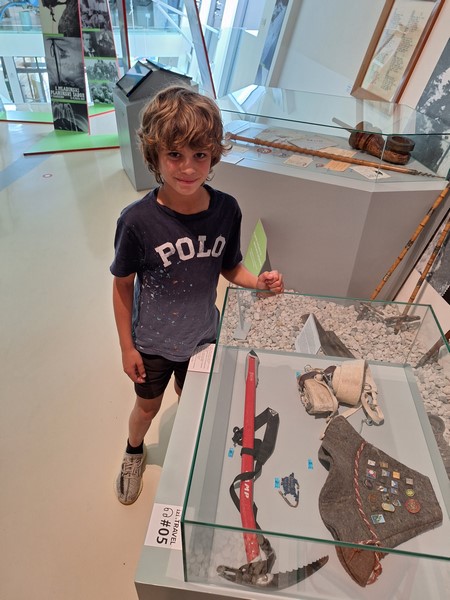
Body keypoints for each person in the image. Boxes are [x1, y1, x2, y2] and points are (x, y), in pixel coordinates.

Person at [110, 86, 284, 505]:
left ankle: (190, 452)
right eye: (175, 155)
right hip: (152, 344)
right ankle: (133, 450)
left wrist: (257, 283)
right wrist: (127, 347)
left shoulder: (227, 210)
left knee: (193, 402)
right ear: (154, 155)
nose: (188, 168)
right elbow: (122, 284)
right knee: (146, 409)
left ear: (214, 155)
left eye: (200, 155)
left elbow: (229, 266)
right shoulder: (137, 222)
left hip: (203, 338)